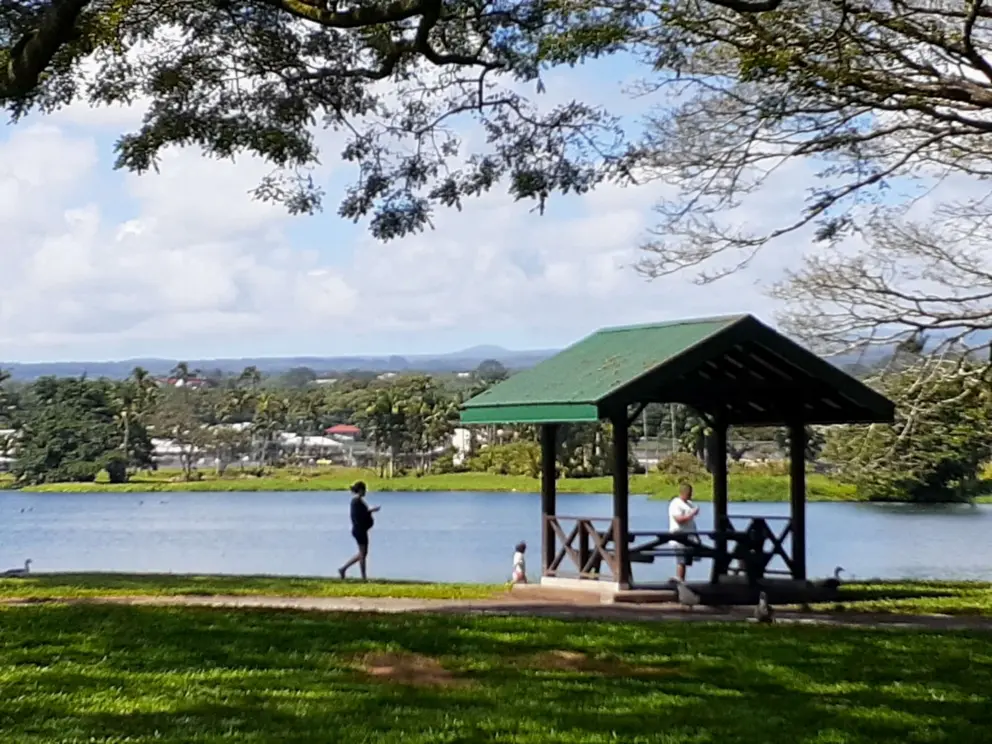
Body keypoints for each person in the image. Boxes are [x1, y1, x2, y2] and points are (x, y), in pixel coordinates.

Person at [338, 481, 380, 580]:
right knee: (362, 554)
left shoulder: (358, 501)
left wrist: (369, 512)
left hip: (360, 530)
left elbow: (363, 514)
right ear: (360, 490)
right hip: (359, 530)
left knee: (363, 553)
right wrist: (370, 512)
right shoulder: (356, 502)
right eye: (364, 489)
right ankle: (361, 576)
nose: (366, 492)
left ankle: (345, 569)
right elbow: (360, 516)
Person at [668, 482, 700, 581]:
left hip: (689, 537)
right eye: (689, 493)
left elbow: (691, 521)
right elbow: (679, 519)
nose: (690, 495)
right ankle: (679, 579)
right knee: (681, 560)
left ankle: (682, 579)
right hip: (678, 537)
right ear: (683, 492)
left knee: (686, 561)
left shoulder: (689, 503)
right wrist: (692, 514)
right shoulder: (675, 503)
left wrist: (697, 536)